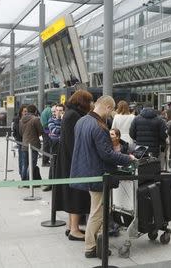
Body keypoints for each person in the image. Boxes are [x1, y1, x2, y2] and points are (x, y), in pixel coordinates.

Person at [69, 96, 134, 258]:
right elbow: (107, 155)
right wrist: (128, 158)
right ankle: (90, 247)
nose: (111, 114)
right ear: (107, 107)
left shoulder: (82, 121)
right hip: (98, 174)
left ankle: (99, 244)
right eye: (111, 110)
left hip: (86, 171)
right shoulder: (99, 126)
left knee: (97, 210)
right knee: (98, 213)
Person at [54, 90, 93, 241]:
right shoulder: (74, 116)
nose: (90, 104)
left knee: (72, 193)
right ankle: (75, 229)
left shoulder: (70, 113)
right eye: (88, 101)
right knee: (76, 193)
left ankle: (71, 226)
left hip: (67, 159)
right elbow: (75, 142)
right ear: (82, 101)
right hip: (73, 161)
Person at [42, 103, 65, 192]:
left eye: (61, 110)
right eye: (57, 110)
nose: (58, 112)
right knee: (53, 164)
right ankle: (51, 184)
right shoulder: (51, 120)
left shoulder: (64, 120)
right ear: (54, 112)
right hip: (55, 144)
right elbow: (54, 131)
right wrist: (62, 129)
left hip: (63, 144)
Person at [19, 104, 43, 181]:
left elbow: (21, 132)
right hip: (33, 145)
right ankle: (29, 180)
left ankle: (24, 180)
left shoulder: (21, 120)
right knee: (32, 164)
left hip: (24, 144)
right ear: (35, 111)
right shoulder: (36, 119)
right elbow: (41, 131)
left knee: (24, 164)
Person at [12, 105, 28, 180]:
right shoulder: (17, 119)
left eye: (27, 111)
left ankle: (25, 175)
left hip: (27, 141)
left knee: (26, 159)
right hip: (21, 142)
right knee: (22, 159)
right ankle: (22, 174)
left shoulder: (28, 119)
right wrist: (18, 140)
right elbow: (15, 131)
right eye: (24, 111)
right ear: (21, 111)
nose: (26, 113)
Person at [40, 102, 53, 167]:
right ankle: (45, 162)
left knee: (46, 145)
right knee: (47, 146)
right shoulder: (49, 111)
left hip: (44, 129)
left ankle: (45, 161)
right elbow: (50, 121)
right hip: (46, 130)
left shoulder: (45, 110)